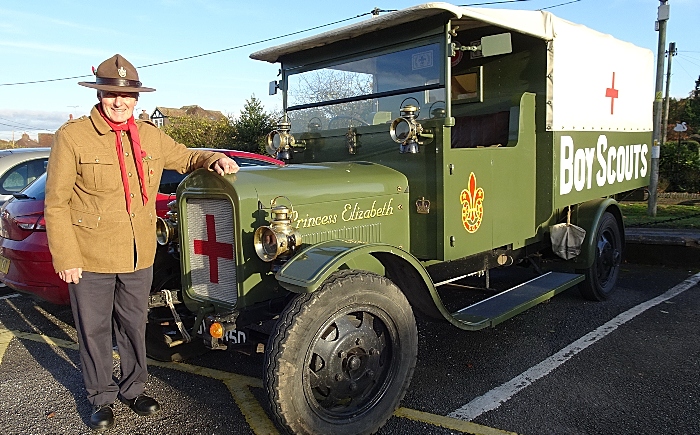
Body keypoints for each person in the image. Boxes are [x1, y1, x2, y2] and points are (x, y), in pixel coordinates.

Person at [44, 54, 239, 431]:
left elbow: (186, 157)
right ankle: (100, 396)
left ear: (136, 97)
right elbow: (56, 202)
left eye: (126, 95)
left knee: (134, 324)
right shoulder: (74, 136)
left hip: (138, 253)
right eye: (110, 94)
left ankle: (133, 389)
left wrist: (214, 157)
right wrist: (66, 255)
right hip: (90, 255)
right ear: (99, 94)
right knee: (94, 329)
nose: (118, 102)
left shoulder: (149, 135)